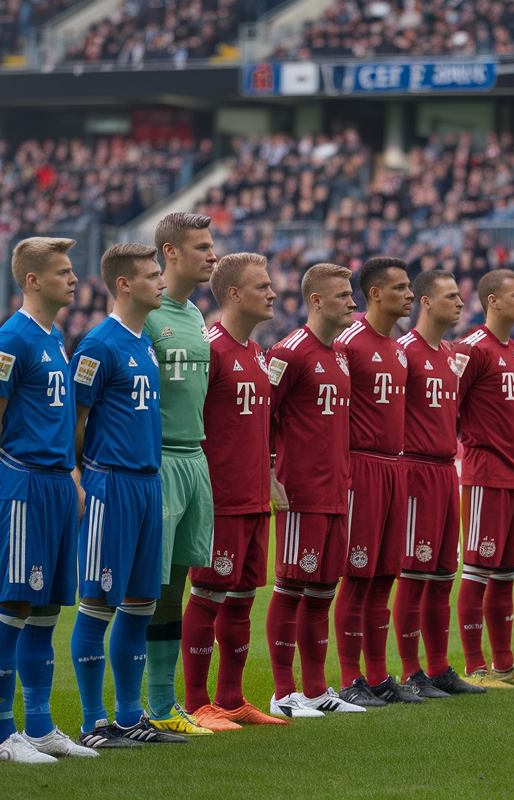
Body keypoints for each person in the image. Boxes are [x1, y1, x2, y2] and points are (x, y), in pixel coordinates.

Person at [0, 237, 97, 762]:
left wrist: (67, 474)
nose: (73, 279)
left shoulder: (57, 337)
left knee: (46, 608)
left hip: (54, 485)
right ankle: (0, 736)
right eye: (64, 272)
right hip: (23, 484)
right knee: (15, 604)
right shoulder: (12, 339)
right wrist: (5, 475)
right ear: (32, 280)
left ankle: (41, 727)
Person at [70, 243, 187, 746]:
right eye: (151, 274)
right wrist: (78, 479)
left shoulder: (143, 344)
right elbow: (74, 422)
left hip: (147, 484)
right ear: (124, 284)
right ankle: (94, 722)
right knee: (98, 602)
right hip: (109, 484)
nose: (162, 281)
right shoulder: (98, 345)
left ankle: (130, 715)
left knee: (141, 603)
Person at [181, 252, 289, 728]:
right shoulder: (209, 349)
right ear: (232, 294)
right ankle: (196, 701)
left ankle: (231, 698)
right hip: (218, 501)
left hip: (253, 500)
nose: (272, 293)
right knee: (207, 596)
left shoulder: (257, 354)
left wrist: (268, 476)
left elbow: (260, 430)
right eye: (262, 286)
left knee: (242, 600)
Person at [264, 263, 365, 717]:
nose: (353, 302)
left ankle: (316, 690)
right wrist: (269, 473)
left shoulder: (341, 354)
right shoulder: (288, 353)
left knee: (324, 589)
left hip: (336, 490)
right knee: (291, 587)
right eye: (344, 295)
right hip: (300, 491)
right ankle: (283, 693)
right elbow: (263, 417)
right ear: (317, 301)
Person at [395, 270, 500, 691]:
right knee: (414, 574)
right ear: (424, 301)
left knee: (441, 576)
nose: (461, 302)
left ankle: (438, 669)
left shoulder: (454, 354)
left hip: (445, 471)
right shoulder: (405, 351)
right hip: (414, 471)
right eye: (451, 296)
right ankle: (410, 671)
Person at [332, 258, 423, 705]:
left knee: (386, 573)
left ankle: (378, 674)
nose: (409, 294)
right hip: (361, 467)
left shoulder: (401, 348)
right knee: (358, 574)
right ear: (374, 294)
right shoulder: (348, 342)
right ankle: (351, 679)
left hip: (396, 467)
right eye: (401, 287)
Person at [142, 212, 218, 735]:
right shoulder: (147, 315)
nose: (212, 256)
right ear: (169, 253)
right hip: (158, 461)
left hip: (195, 458)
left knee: (177, 588)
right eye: (202, 247)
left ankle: (165, 706)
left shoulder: (194, 315)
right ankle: (140, 705)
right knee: (146, 587)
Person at [454, 270, 514, 685]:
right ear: (493, 300)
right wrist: (466, 449)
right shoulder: (471, 348)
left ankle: (505, 665)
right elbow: (445, 405)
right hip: (483, 474)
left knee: (507, 571)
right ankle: (474, 667)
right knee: (477, 568)